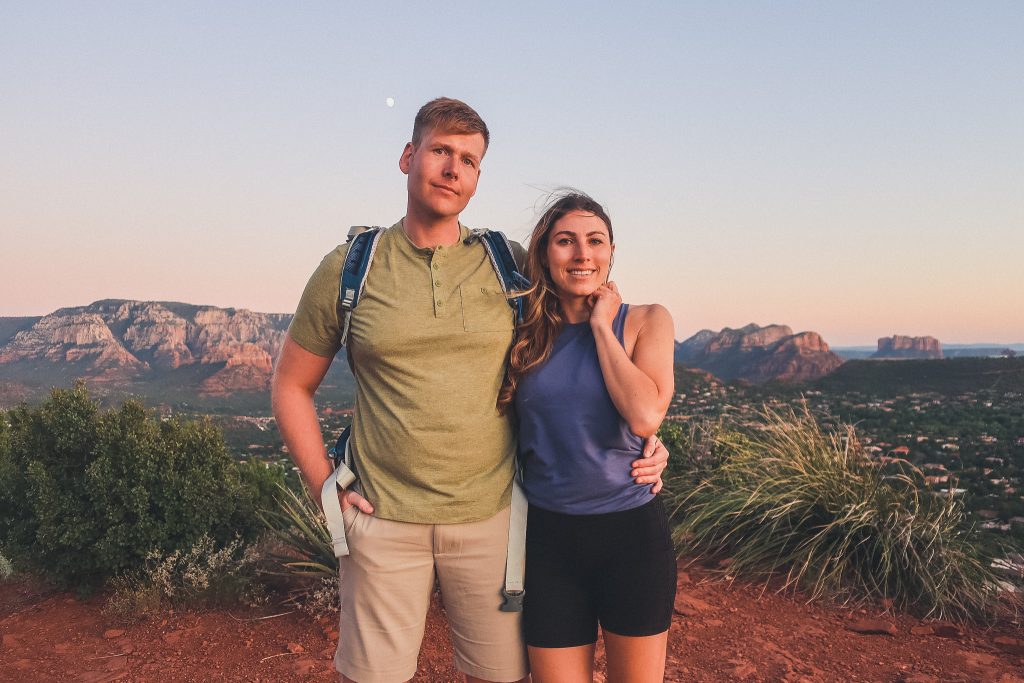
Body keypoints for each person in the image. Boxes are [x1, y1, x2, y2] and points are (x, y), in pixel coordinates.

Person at [271, 99, 669, 683]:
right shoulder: (350, 267)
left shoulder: (507, 266)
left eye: (469, 160)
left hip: (494, 521)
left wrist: (648, 443)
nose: (453, 169)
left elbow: (579, 354)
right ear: (409, 157)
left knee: (503, 675)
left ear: (478, 179)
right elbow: (290, 383)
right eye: (440, 151)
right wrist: (323, 487)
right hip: (382, 518)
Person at [498, 191, 677, 683]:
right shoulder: (522, 333)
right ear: (545, 253)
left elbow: (644, 417)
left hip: (632, 538)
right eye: (565, 241)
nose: (582, 254)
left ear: (611, 252)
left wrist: (602, 326)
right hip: (548, 543)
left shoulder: (646, 320)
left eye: (595, 241)